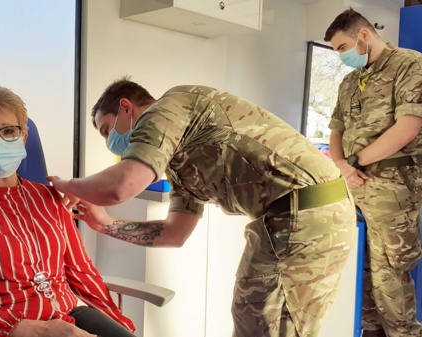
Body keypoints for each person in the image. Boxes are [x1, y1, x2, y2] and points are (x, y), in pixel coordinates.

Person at [47, 77, 356, 337]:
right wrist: (104, 223)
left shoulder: (170, 106)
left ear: (126, 108)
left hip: (304, 212)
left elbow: (122, 185)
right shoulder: (181, 162)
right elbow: (174, 233)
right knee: (254, 315)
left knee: (267, 322)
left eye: (107, 130)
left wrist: (66, 185)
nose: (110, 141)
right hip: (301, 214)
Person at [0, 85, 136, 337]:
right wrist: (42, 330)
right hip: (12, 329)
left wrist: (120, 324)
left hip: (73, 319)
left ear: (23, 137)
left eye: (9, 131)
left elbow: (81, 272)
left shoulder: (49, 197)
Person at [324, 8, 422, 337]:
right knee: (357, 269)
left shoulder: (410, 64)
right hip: (352, 187)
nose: (341, 57)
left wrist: (354, 162)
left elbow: (409, 126)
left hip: (392, 188)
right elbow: (335, 130)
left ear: (363, 36)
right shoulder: (350, 81)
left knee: (390, 274)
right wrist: (341, 166)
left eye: (342, 48)